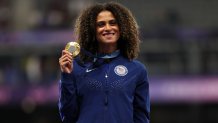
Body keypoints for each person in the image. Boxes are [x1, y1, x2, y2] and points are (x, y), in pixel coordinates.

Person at [58, 2, 150, 123]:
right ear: (92, 30)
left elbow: (141, 117)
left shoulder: (137, 70)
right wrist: (67, 76)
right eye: (101, 24)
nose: (107, 28)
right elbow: (67, 116)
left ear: (122, 27)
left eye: (113, 23)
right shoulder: (76, 67)